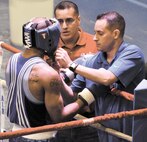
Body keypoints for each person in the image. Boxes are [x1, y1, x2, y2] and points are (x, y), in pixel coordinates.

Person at [55, 11, 145, 142]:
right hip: (103, 133)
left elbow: (107, 78)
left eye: (100, 33)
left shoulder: (132, 53)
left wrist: (71, 65)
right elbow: (71, 95)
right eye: (95, 32)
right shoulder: (92, 61)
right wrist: (57, 77)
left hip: (130, 134)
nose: (94, 38)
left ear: (115, 34)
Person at [5, 17, 95, 142]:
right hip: (41, 138)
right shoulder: (47, 73)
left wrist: (57, 75)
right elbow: (60, 117)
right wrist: (85, 99)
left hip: (14, 135)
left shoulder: (12, 60)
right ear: (50, 39)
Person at [52, 1, 99, 142]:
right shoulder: (49, 45)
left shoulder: (96, 43)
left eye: (69, 20)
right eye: (60, 21)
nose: (64, 26)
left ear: (78, 20)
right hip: (58, 116)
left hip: (89, 118)